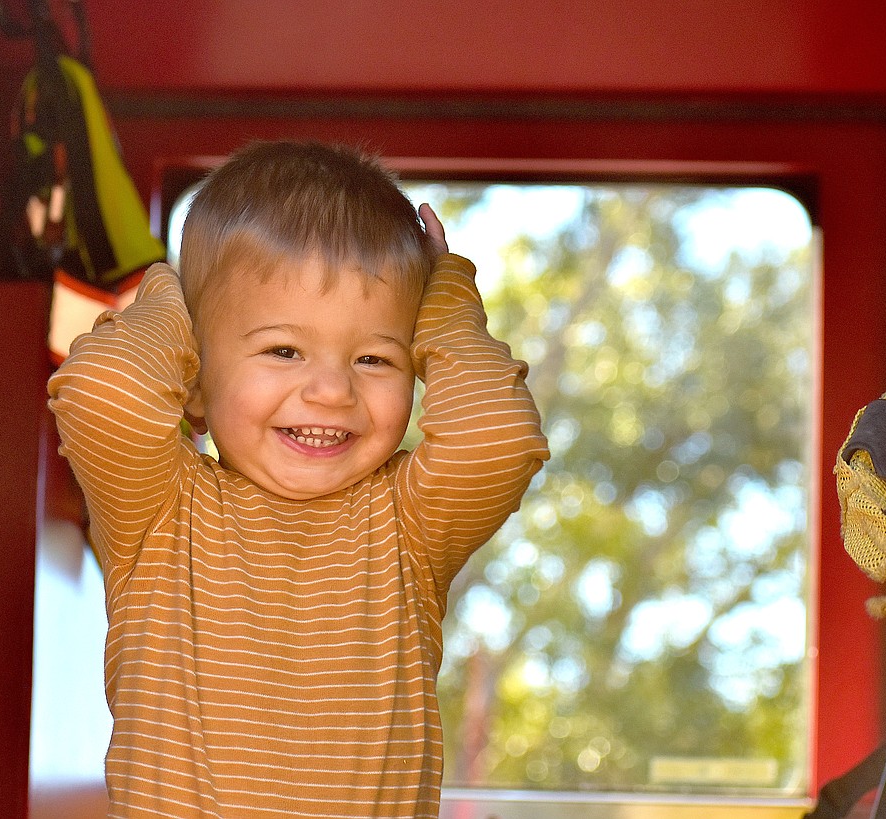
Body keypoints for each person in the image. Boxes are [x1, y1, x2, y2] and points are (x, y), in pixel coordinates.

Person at [47, 140, 549, 818]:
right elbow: (104, 391)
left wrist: (448, 294)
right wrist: (172, 292)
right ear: (194, 370)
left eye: (375, 357)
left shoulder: (408, 524)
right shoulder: (162, 510)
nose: (332, 389)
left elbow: (498, 437)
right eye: (284, 350)